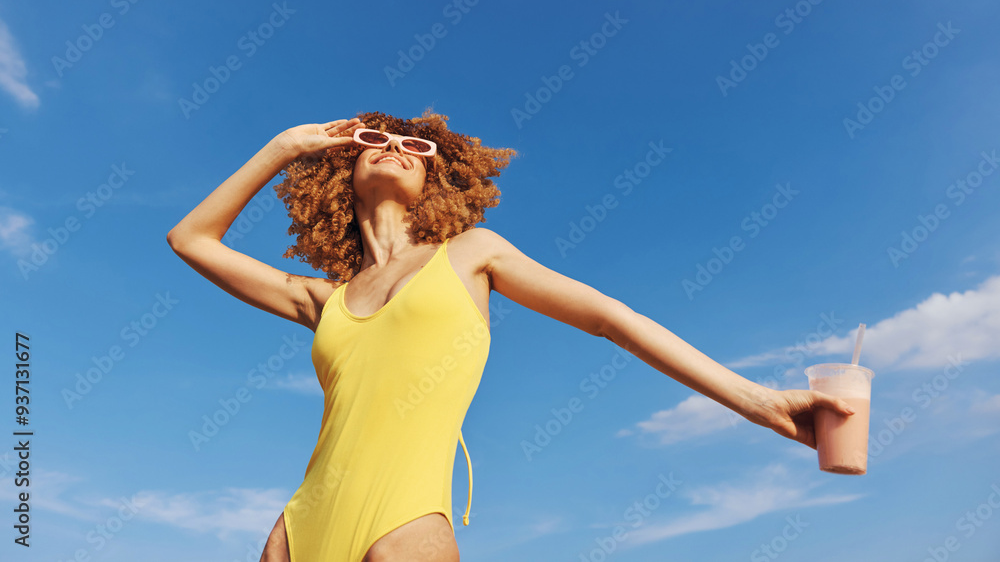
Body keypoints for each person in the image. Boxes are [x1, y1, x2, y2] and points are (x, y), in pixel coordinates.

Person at [166, 109, 856, 562]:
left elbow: (611, 317)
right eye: (376, 139)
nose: (399, 149)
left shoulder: (472, 253)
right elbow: (190, 238)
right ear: (342, 167)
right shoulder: (324, 299)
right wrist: (285, 146)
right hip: (299, 525)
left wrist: (759, 401)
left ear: (434, 177)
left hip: (404, 519)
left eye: (416, 145)